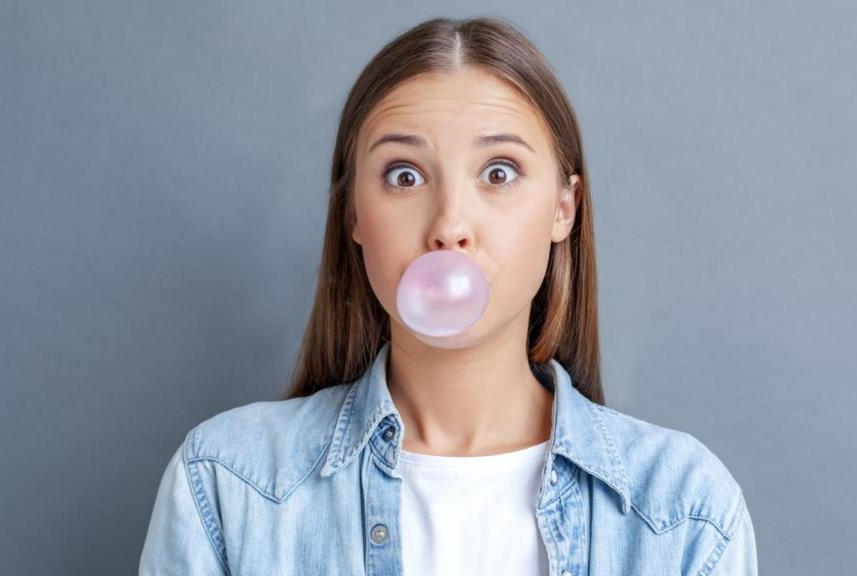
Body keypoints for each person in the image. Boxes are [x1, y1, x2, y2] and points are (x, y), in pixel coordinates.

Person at [139, 15, 757, 575]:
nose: (449, 224)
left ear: (563, 209)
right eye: (404, 176)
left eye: (499, 172)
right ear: (354, 213)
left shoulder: (683, 511)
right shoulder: (225, 484)